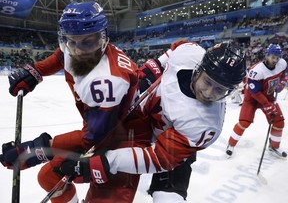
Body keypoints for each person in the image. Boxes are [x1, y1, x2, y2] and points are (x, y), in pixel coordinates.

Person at [56, 40, 247, 202]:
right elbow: (176, 49)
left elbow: (158, 158)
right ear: (199, 69)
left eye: (219, 90)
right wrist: (151, 70)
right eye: (207, 82)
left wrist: (106, 162)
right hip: (140, 120)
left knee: (167, 199)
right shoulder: (189, 52)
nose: (208, 93)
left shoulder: (205, 125)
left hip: (172, 148)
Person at [1, 1, 152, 203]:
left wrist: (36, 150)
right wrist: (36, 71)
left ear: (103, 37)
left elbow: (92, 138)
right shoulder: (75, 48)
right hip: (101, 126)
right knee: (49, 177)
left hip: (124, 139)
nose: (79, 50)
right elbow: (61, 56)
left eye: (87, 42)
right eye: (72, 41)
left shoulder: (108, 80)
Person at [226, 44, 288, 158]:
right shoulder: (257, 70)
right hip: (253, 99)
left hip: (268, 97)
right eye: (273, 57)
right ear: (267, 55)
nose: (275, 60)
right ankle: (231, 144)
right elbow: (255, 92)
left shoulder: (282, 63)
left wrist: (282, 82)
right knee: (244, 122)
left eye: (277, 57)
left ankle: (274, 146)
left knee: (279, 122)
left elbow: (284, 73)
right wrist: (267, 105)